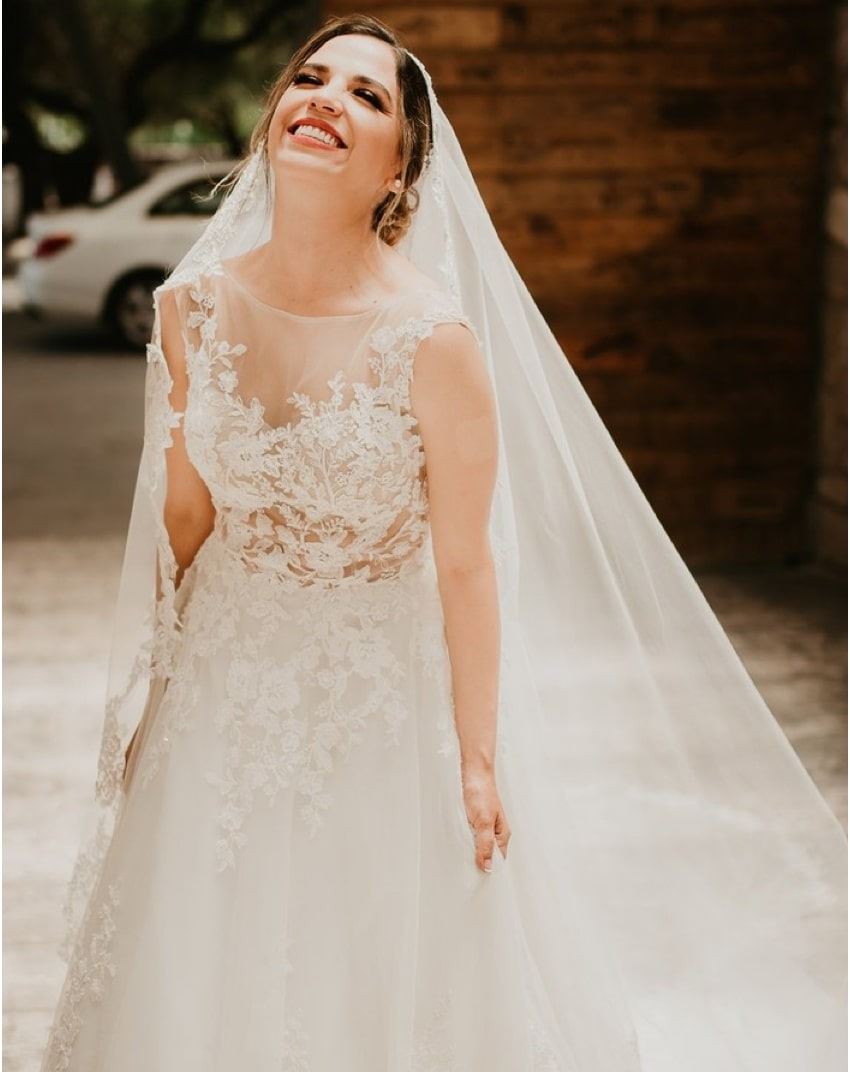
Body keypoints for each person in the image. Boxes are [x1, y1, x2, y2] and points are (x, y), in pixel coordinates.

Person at [41, 13, 846, 1072]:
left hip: (379, 700)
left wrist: (474, 760)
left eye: (366, 96)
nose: (325, 98)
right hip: (222, 688)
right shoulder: (190, 309)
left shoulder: (433, 340)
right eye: (311, 78)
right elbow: (187, 517)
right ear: (274, 117)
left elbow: (466, 561)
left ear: (399, 169)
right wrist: (154, 687)